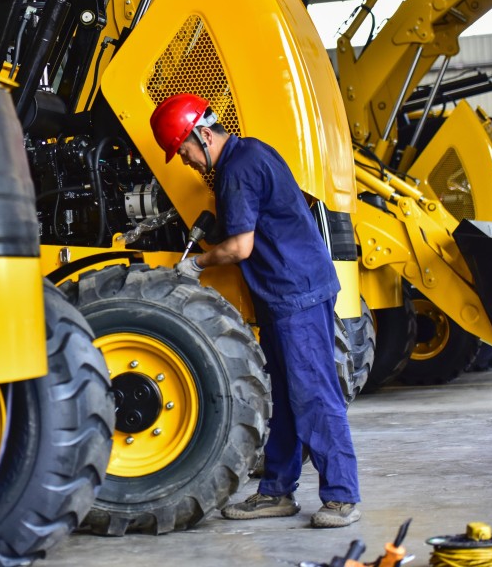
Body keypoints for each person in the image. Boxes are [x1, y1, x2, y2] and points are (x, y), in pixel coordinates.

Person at [149, 92, 361, 529]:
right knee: (285, 395)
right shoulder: (253, 151)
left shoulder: (236, 171)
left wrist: (196, 264)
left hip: (294, 292)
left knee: (314, 394)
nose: (185, 160)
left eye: (184, 150)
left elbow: (241, 247)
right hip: (290, 290)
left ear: (203, 134)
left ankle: (342, 496)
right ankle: (277, 493)